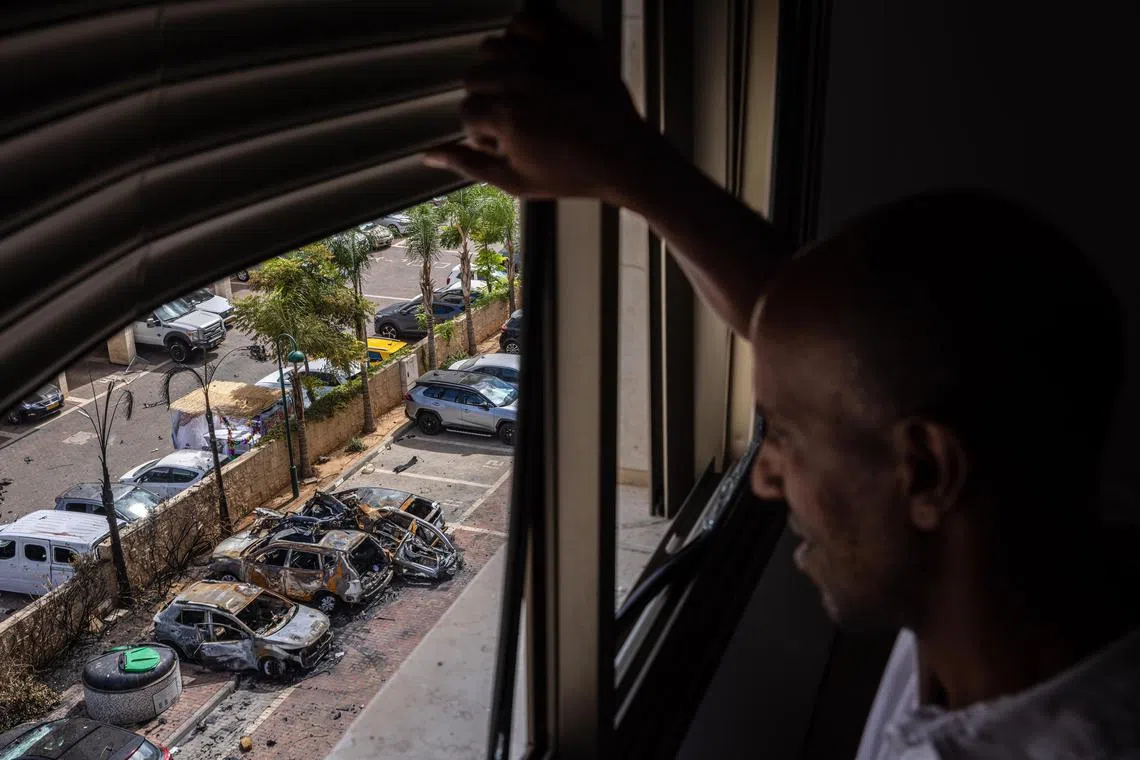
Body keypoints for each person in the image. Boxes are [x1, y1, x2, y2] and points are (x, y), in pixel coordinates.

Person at [423, 10, 1140, 759]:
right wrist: (627, 164)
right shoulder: (1043, 540)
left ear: (926, 471)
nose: (764, 478)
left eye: (787, 434)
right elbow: (823, 333)